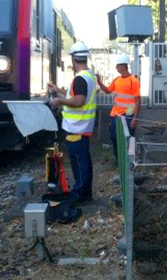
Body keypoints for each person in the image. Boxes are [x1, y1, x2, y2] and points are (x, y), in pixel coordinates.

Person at [47, 41, 97, 203]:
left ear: (73, 59)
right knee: (84, 160)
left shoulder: (80, 79)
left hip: (77, 127)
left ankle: (80, 194)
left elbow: (78, 100)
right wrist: (58, 90)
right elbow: (74, 93)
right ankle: (85, 192)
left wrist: (59, 102)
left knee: (79, 162)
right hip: (82, 126)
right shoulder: (88, 76)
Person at [96, 53, 141, 164]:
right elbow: (107, 91)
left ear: (124, 66)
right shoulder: (117, 80)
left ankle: (130, 160)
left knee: (130, 139)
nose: (116, 68)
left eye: (118, 66)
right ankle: (119, 159)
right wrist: (99, 82)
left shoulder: (133, 81)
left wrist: (135, 118)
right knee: (114, 137)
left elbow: (138, 100)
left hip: (128, 115)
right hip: (116, 115)